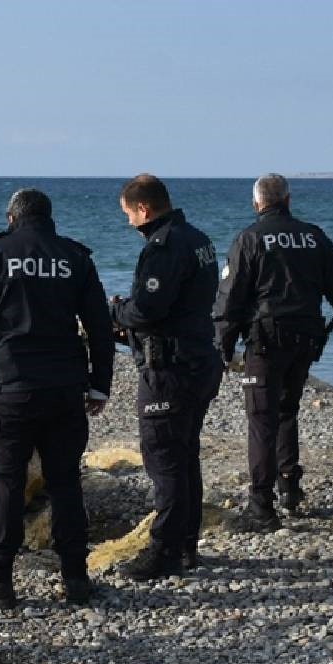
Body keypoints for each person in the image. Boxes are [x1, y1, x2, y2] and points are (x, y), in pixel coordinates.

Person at [0, 188, 115, 607]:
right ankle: (76, 581)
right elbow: (100, 326)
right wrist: (100, 384)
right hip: (65, 388)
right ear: (49, 218)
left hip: (12, 389)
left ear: (11, 217)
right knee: (65, 483)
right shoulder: (75, 257)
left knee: (7, 484)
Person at [214, 174, 333, 529]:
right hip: (305, 340)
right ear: (288, 200)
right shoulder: (313, 236)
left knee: (262, 419)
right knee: (287, 410)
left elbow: (230, 298)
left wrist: (221, 346)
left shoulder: (249, 238)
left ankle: (261, 506)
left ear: (257, 204)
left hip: (266, 341)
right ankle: (290, 486)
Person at [108, 174, 224, 580]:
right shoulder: (198, 238)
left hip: (171, 368)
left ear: (144, 208)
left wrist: (116, 314)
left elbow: (149, 309)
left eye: (128, 214)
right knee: (185, 455)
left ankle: (164, 551)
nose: (128, 224)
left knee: (165, 461)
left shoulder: (165, 246)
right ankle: (186, 544)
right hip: (199, 360)